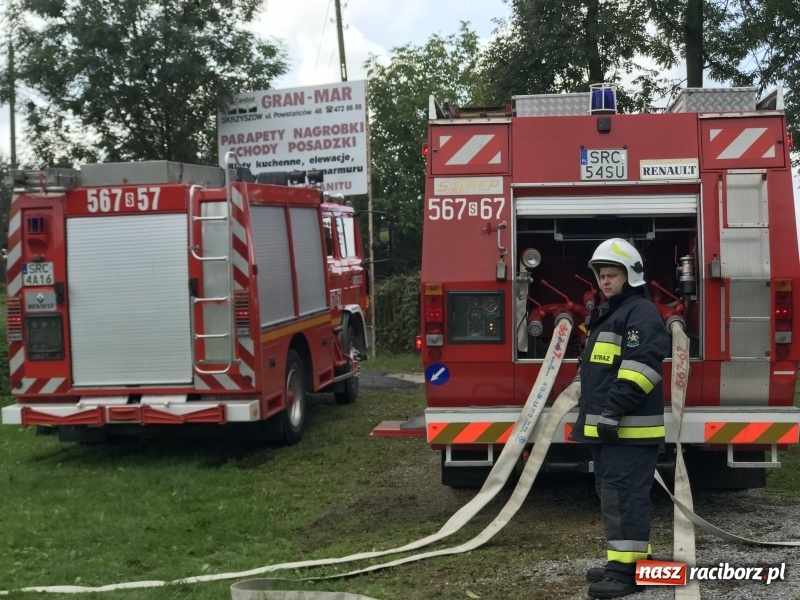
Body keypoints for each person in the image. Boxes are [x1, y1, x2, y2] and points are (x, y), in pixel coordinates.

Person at [569, 238, 670, 599]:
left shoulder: (639, 314)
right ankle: (637, 564)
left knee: (623, 498)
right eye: (602, 275)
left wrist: (612, 411)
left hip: (626, 429)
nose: (605, 282)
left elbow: (641, 369)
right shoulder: (612, 313)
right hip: (612, 430)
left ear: (631, 277)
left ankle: (624, 574)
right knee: (616, 495)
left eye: (612, 275)